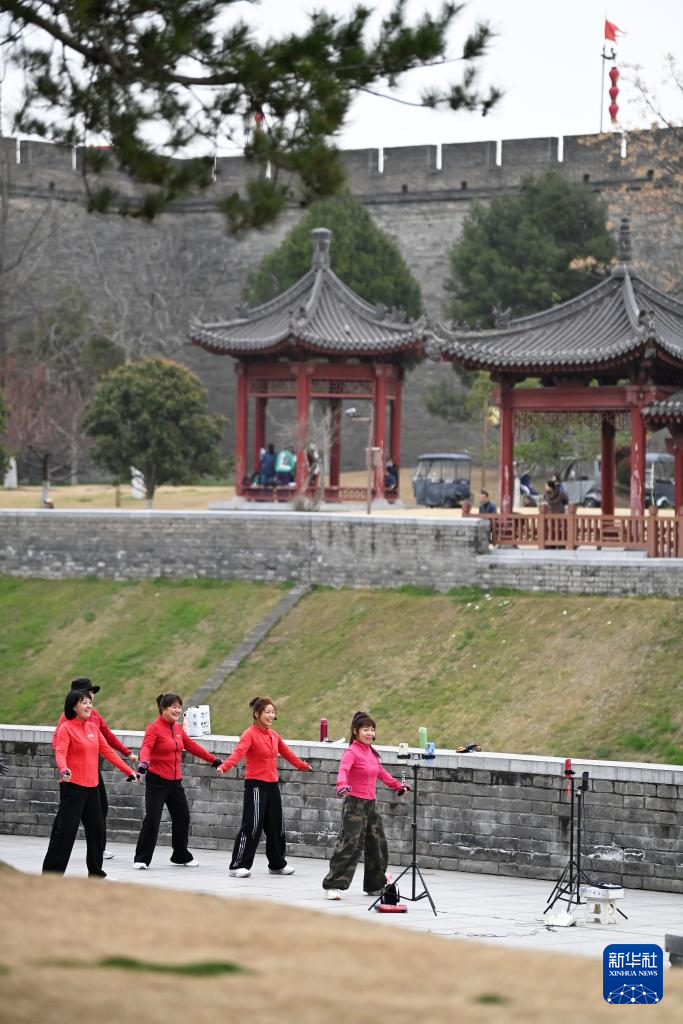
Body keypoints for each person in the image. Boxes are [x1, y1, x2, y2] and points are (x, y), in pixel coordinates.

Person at [43, 689, 138, 877]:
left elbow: (108, 751)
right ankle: (51, 876)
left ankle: (96, 874)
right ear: (73, 706)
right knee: (65, 833)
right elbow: (60, 752)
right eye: (84, 702)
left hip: (92, 788)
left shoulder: (93, 728)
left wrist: (129, 771)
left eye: (90, 702)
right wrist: (64, 769)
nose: (89, 706)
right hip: (73, 788)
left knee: (97, 831)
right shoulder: (66, 728)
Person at [217, 696, 312, 878]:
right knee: (253, 825)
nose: (270, 715)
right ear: (257, 714)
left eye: (272, 712)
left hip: (272, 785)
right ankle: (238, 865)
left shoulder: (274, 735)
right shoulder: (249, 734)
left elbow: (287, 753)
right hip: (256, 786)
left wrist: (302, 766)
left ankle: (277, 864)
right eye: (267, 712)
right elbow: (238, 753)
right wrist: (225, 766)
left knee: (276, 826)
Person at [322, 711, 409, 901]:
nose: (369, 733)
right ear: (355, 731)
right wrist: (341, 785)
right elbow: (343, 770)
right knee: (350, 845)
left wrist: (398, 786)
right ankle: (333, 885)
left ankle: (375, 885)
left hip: (371, 805)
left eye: (372, 730)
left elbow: (381, 773)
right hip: (354, 805)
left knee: (378, 845)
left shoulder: (371, 753)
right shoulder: (351, 752)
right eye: (365, 730)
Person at [133, 693, 223, 870]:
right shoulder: (154, 728)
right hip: (157, 781)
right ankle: (141, 858)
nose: (177, 710)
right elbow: (146, 747)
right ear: (163, 709)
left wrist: (214, 760)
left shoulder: (178, 728)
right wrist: (143, 763)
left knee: (182, 817)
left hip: (175, 782)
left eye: (179, 707)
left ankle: (180, 855)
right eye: (173, 707)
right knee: (152, 819)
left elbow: (192, 746)